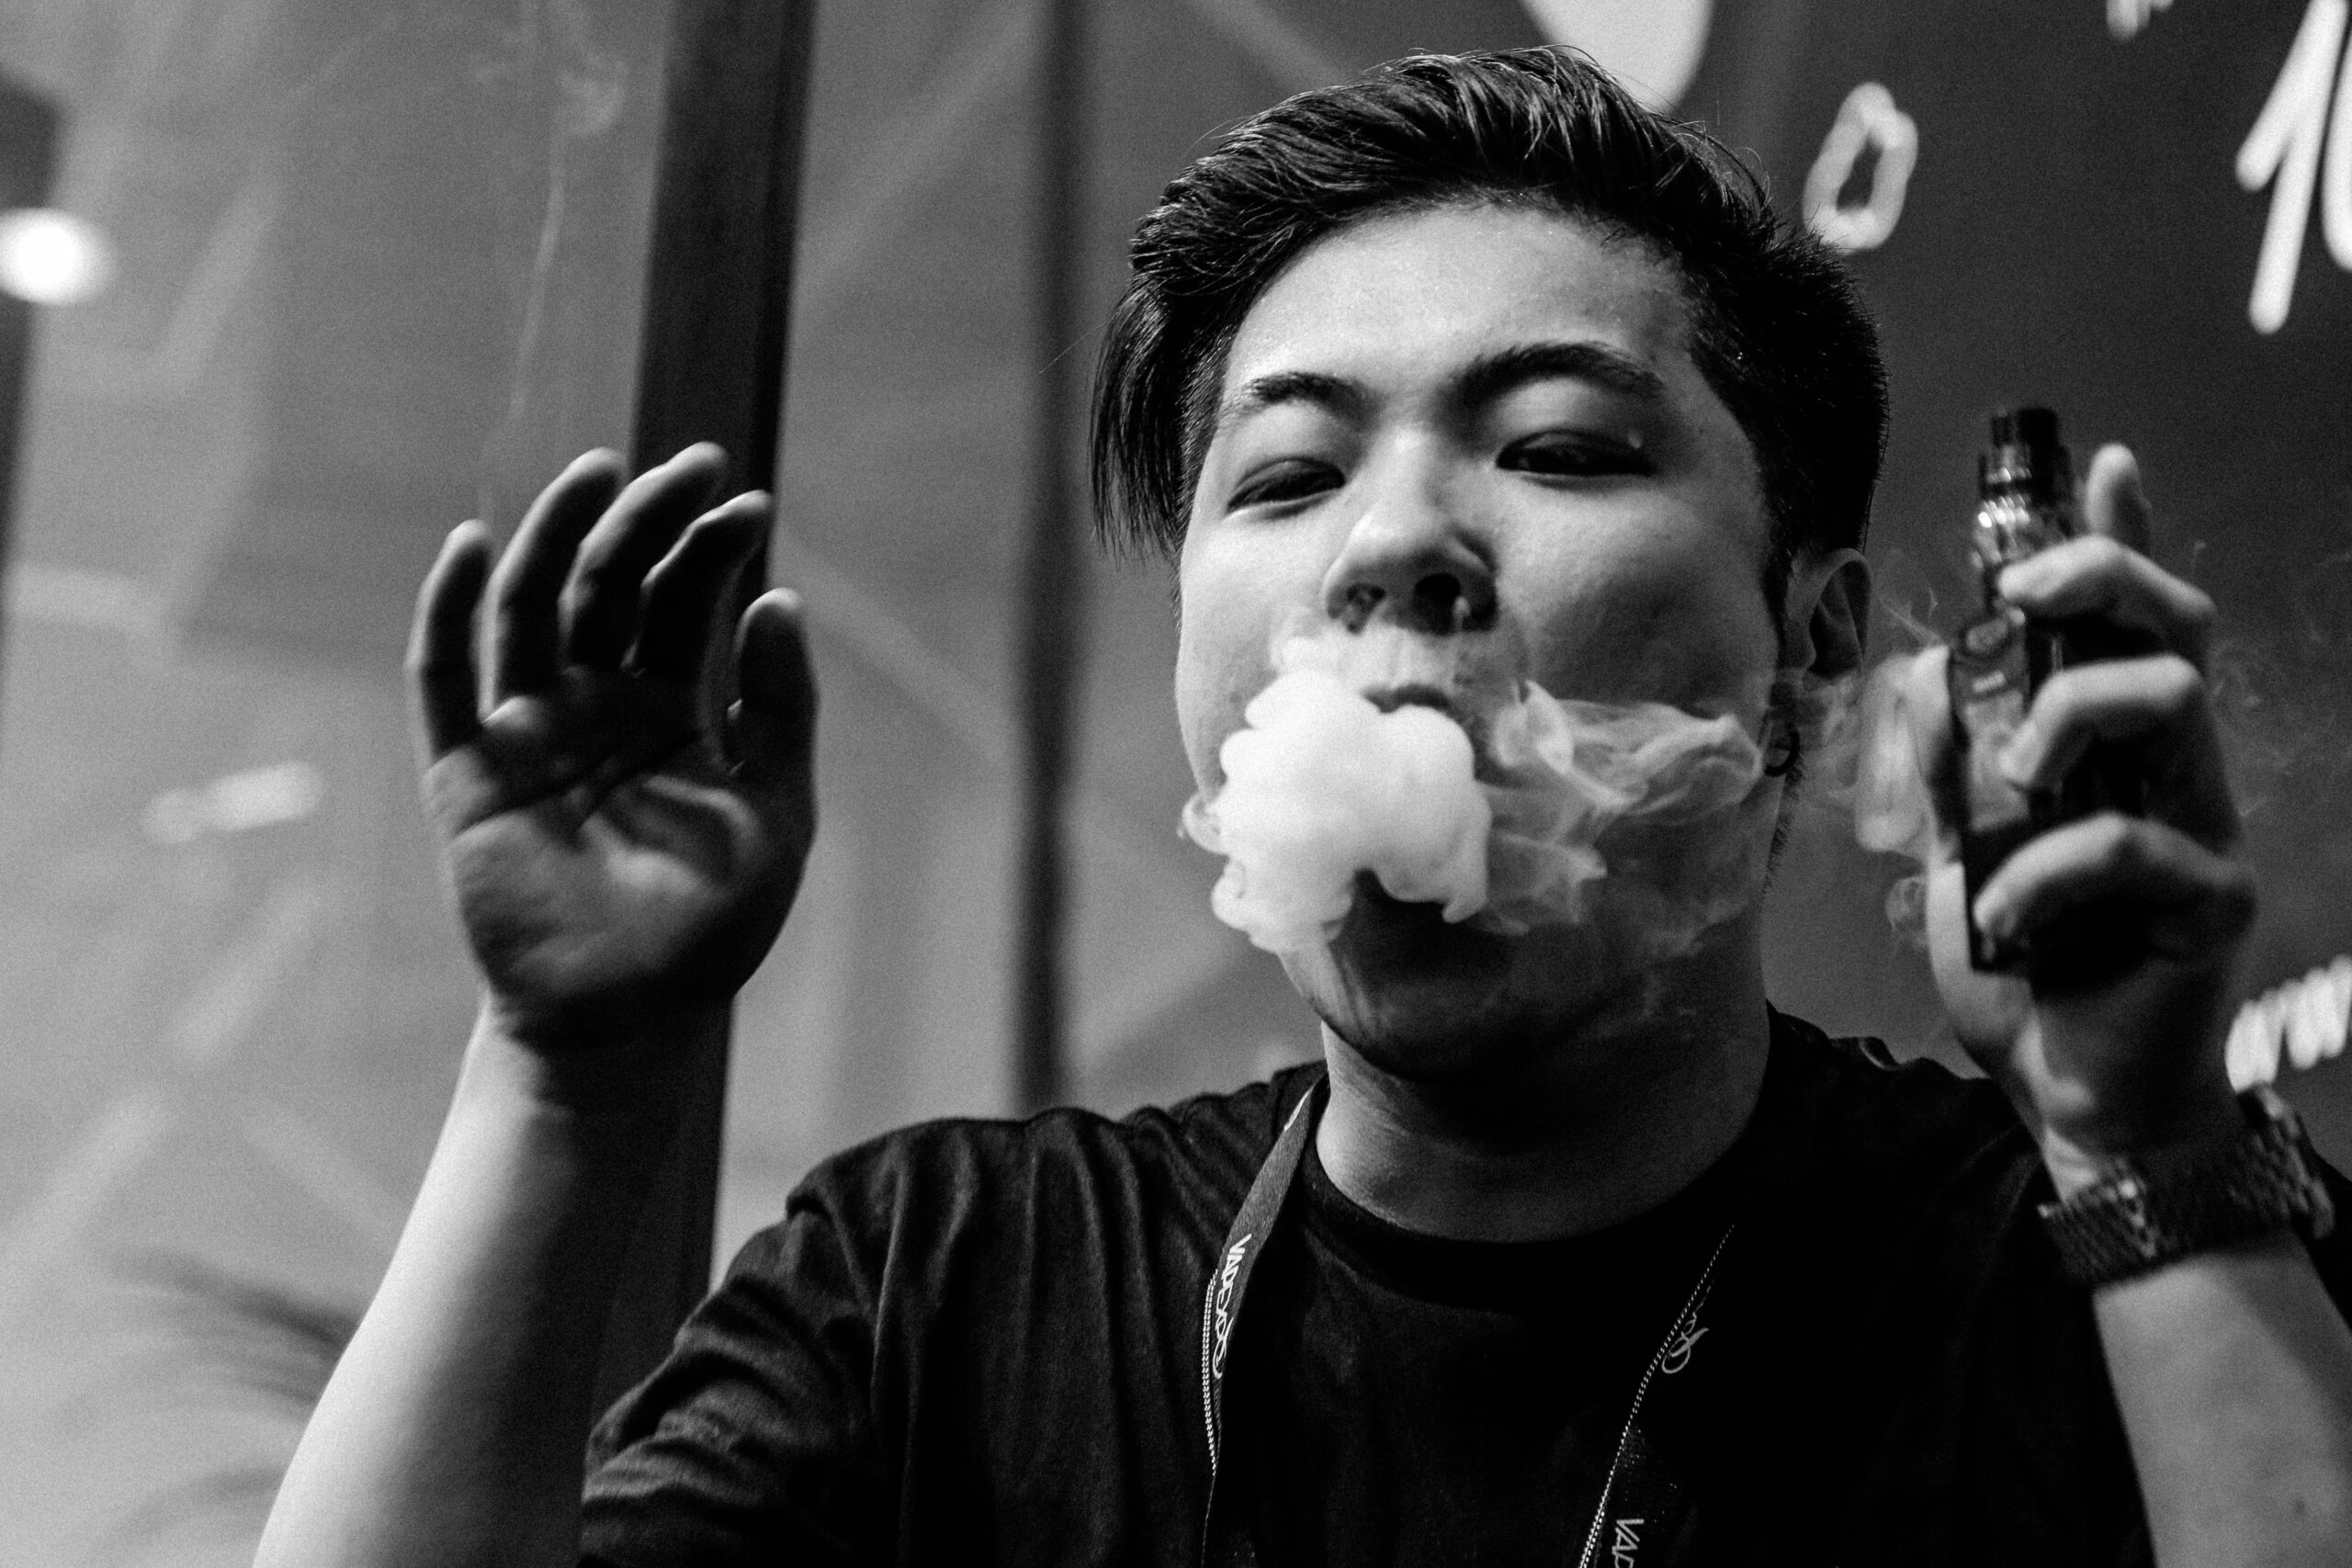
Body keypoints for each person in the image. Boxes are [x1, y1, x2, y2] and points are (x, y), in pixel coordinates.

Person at [256, 47, 2352, 1568]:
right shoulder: (940, 1298)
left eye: (1556, 446)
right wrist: (563, 1074)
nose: (1392, 547)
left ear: (1809, 645)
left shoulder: (2070, 1256)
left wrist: (2138, 1149)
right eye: (1283, 477)